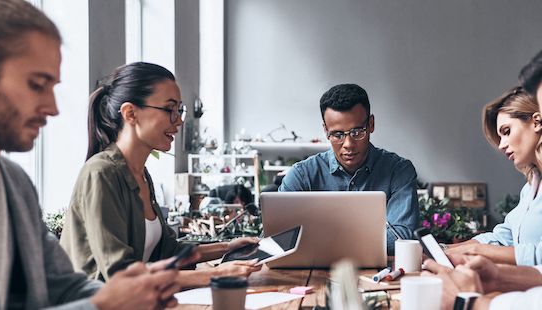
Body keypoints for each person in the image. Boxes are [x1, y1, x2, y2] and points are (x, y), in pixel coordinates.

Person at [0, 0, 181, 309]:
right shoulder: (102, 171)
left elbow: (64, 287)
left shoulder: (14, 182)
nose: (52, 108)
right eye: (37, 84)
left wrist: (137, 294)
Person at [60, 62, 261, 287]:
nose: (179, 120)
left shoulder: (141, 175)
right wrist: (214, 275)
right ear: (130, 113)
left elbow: (170, 251)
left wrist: (228, 247)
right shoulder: (101, 173)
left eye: (180, 110)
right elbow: (119, 274)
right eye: (169, 109)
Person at [278, 83, 419, 254]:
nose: (348, 145)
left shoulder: (399, 171)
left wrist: (320, 241)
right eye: (337, 135)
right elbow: (277, 239)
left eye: (357, 132)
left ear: (371, 124)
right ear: (325, 130)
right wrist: (361, 241)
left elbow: (402, 238)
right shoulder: (302, 175)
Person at [446, 87, 542, 265]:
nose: (501, 145)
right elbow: (503, 237)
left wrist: (474, 250)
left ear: (537, 122)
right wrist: (444, 249)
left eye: (506, 132)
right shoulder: (530, 189)